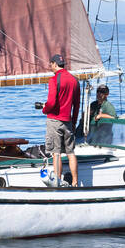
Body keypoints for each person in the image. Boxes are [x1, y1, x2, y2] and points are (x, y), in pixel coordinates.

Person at [41, 53, 81, 187]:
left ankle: (57, 181)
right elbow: (76, 105)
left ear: (54, 64)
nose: (50, 67)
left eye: (51, 64)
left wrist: (44, 109)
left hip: (54, 121)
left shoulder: (53, 80)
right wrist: (74, 122)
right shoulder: (74, 81)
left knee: (56, 153)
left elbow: (51, 103)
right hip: (68, 122)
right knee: (70, 152)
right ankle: (75, 182)